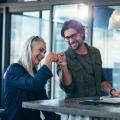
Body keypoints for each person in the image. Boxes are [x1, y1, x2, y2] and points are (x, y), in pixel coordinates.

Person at [57, 19, 120, 98]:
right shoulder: (63, 58)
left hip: (95, 105)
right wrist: (64, 66)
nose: (71, 40)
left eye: (73, 35)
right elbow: (67, 86)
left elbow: (102, 80)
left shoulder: (95, 52)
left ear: (82, 33)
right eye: (67, 38)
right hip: (74, 107)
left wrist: (112, 91)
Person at [4, 36, 60, 120]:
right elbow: (35, 85)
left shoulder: (35, 74)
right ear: (29, 49)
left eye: (45, 52)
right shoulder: (14, 69)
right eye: (40, 50)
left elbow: (44, 102)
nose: (43, 55)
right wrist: (49, 60)